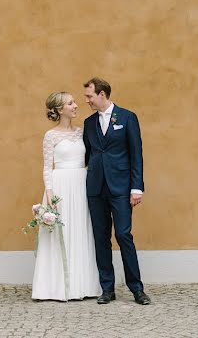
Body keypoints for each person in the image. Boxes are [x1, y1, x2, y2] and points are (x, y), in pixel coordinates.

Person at [82, 77, 151, 305]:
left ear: (102, 94)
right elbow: (88, 155)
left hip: (121, 188)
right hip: (95, 189)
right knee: (101, 238)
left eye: (89, 96)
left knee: (123, 235)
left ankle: (137, 289)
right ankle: (107, 289)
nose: (87, 100)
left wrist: (137, 187)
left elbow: (136, 154)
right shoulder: (89, 123)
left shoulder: (127, 117)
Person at [31, 92, 102, 301]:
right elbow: (47, 167)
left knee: (81, 230)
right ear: (60, 110)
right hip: (60, 185)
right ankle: (55, 287)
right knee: (61, 234)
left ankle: (84, 285)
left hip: (81, 185)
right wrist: (50, 193)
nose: (76, 105)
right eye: (70, 103)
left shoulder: (81, 133)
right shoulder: (50, 136)